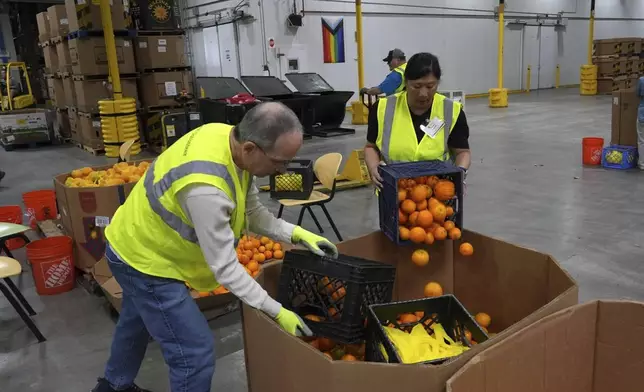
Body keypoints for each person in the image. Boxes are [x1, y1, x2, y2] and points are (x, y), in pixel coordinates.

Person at [92, 102, 338, 392]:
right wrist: (277, 311)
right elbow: (225, 269)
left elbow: (250, 210)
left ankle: (113, 386)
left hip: (135, 240)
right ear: (250, 148)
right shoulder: (205, 189)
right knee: (193, 353)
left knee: (136, 320)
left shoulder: (224, 137)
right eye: (279, 162)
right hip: (145, 261)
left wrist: (295, 233)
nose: (282, 169)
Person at [364, 52, 471, 188]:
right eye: (417, 86)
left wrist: (460, 173)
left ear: (438, 82)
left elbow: (463, 152)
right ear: (406, 82)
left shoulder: (451, 110)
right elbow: (370, 147)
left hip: (437, 194)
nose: (423, 93)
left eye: (430, 86)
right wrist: (373, 167)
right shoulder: (382, 108)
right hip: (394, 190)